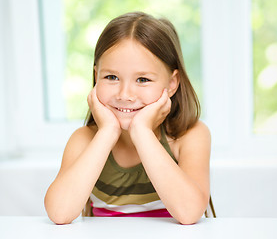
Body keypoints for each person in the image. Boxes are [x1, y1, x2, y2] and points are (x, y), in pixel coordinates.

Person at [44, 11, 211, 225]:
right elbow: (59, 213)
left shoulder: (190, 136)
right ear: (96, 77)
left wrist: (142, 131)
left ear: (171, 84)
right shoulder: (84, 140)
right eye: (111, 77)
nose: (124, 95)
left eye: (142, 79)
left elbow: (189, 213)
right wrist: (108, 132)